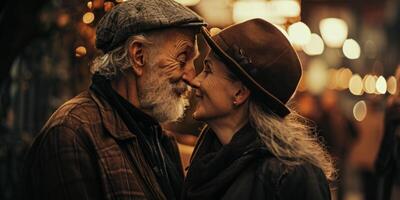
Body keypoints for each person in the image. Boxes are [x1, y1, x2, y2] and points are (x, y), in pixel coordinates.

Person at [20, 0, 205, 199]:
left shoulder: (161, 140)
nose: (191, 76)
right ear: (139, 56)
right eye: (182, 59)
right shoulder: (72, 133)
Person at [181, 18, 335, 200]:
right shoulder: (207, 158)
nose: (195, 81)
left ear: (239, 93)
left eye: (208, 70)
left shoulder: (291, 176)